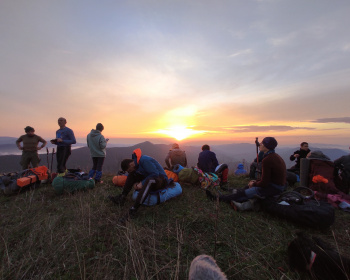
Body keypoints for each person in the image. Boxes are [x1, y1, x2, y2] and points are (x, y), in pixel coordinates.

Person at [206, 137, 286, 203]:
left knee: (243, 194)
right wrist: (255, 182)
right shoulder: (275, 156)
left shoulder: (267, 160)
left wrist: (254, 184)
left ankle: (218, 198)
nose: (260, 145)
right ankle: (231, 191)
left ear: (266, 146)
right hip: (277, 186)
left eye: (262, 143)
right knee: (247, 187)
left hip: (274, 188)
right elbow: (267, 178)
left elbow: (264, 183)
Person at [108, 148, 169, 223]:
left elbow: (155, 174)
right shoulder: (136, 164)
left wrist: (142, 183)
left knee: (149, 181)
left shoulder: (144, 160)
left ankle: (134, 209)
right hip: (153, 178)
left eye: (129, 169)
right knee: (132, 174)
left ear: (131, 164)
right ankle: (122, 197)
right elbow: (141, 174)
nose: (129, 171)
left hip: (162, 179)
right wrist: (138, 182)